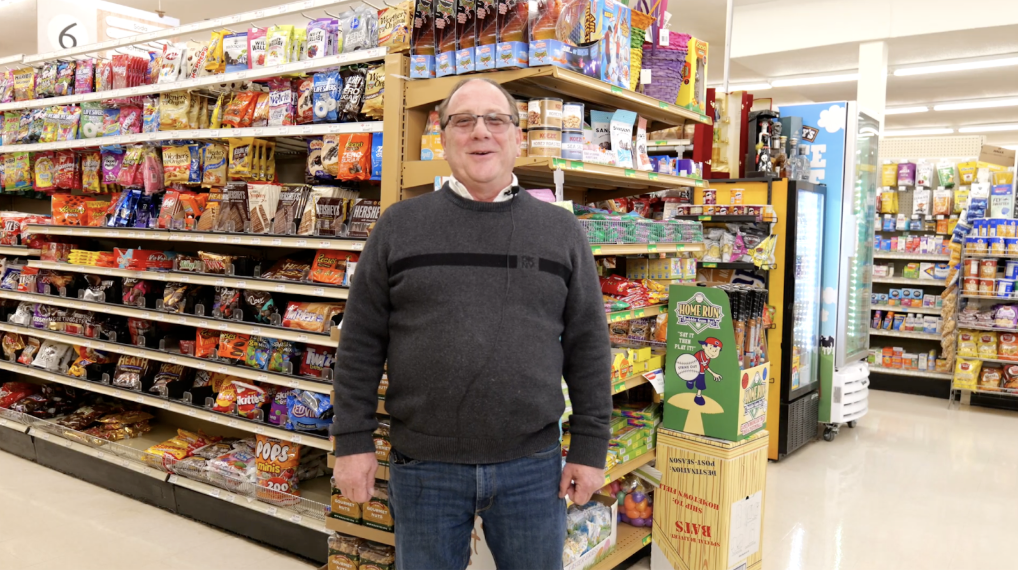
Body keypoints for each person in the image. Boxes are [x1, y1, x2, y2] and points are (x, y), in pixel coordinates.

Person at [330, 78, 612, 569]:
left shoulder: (561, 231)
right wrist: (352, 443)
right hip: (424, 467)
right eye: (464, 121)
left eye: (496, 120)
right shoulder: (399, 226)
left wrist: (590, 446)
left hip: (533, 467)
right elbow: (359, 345)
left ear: (517, 138)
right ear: (444, 139)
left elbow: (588, 347)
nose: (480, 132)